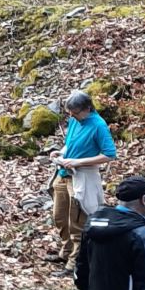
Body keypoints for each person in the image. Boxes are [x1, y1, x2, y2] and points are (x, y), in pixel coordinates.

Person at [47, 92, 118, 270]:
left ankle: (75, 262)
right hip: (63, 173)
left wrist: (79, 162)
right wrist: (61, 153)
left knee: (77, 220)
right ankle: (66, 251)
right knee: (59, 217)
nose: (72, 115)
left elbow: (109, 155)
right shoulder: (74, 120)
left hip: (82, 176)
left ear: (87, 108)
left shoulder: (98, 125)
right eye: (70, 112)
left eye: (75, 112)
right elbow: (72, 144)